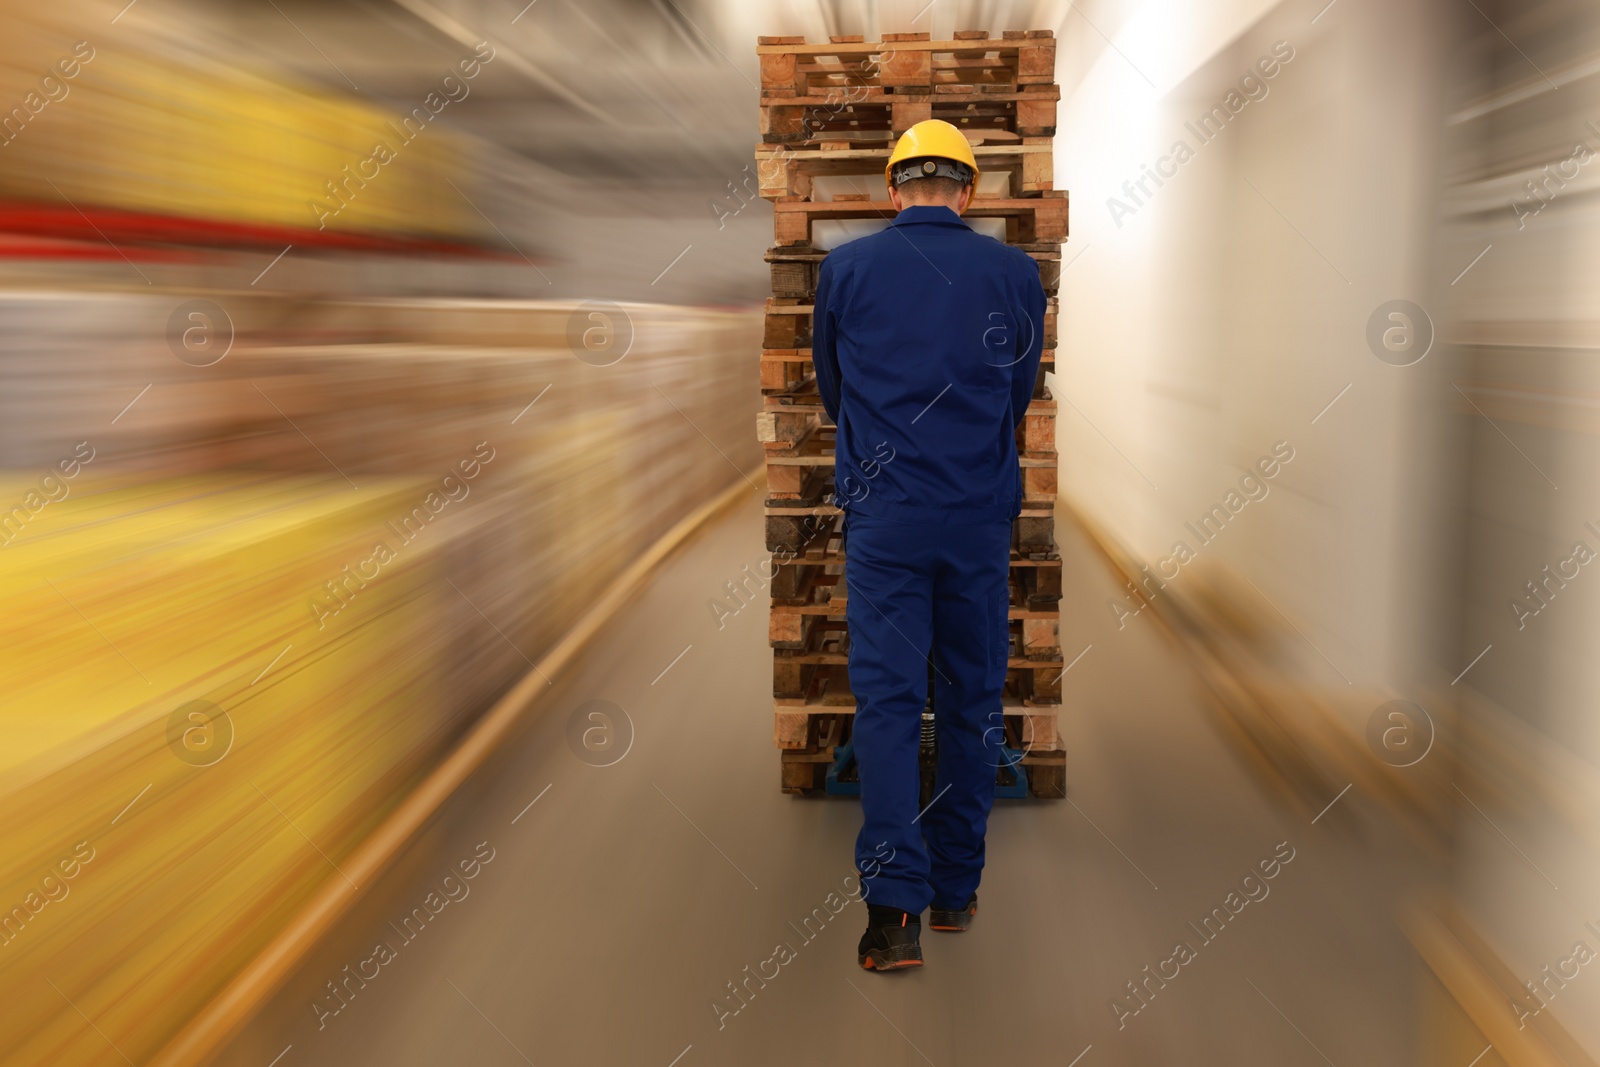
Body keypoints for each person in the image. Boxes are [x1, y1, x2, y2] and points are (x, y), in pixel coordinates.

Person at [811, 119, 1047, 971]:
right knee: (970, 698)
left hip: (887, 518)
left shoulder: (846, 270)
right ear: (970, 192)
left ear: (892, 187)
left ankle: (891, 917)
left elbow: (833, 389)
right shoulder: (1016, 273)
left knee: (886, 703)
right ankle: (954, 888)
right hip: (976, 515)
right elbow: (1021, 388)